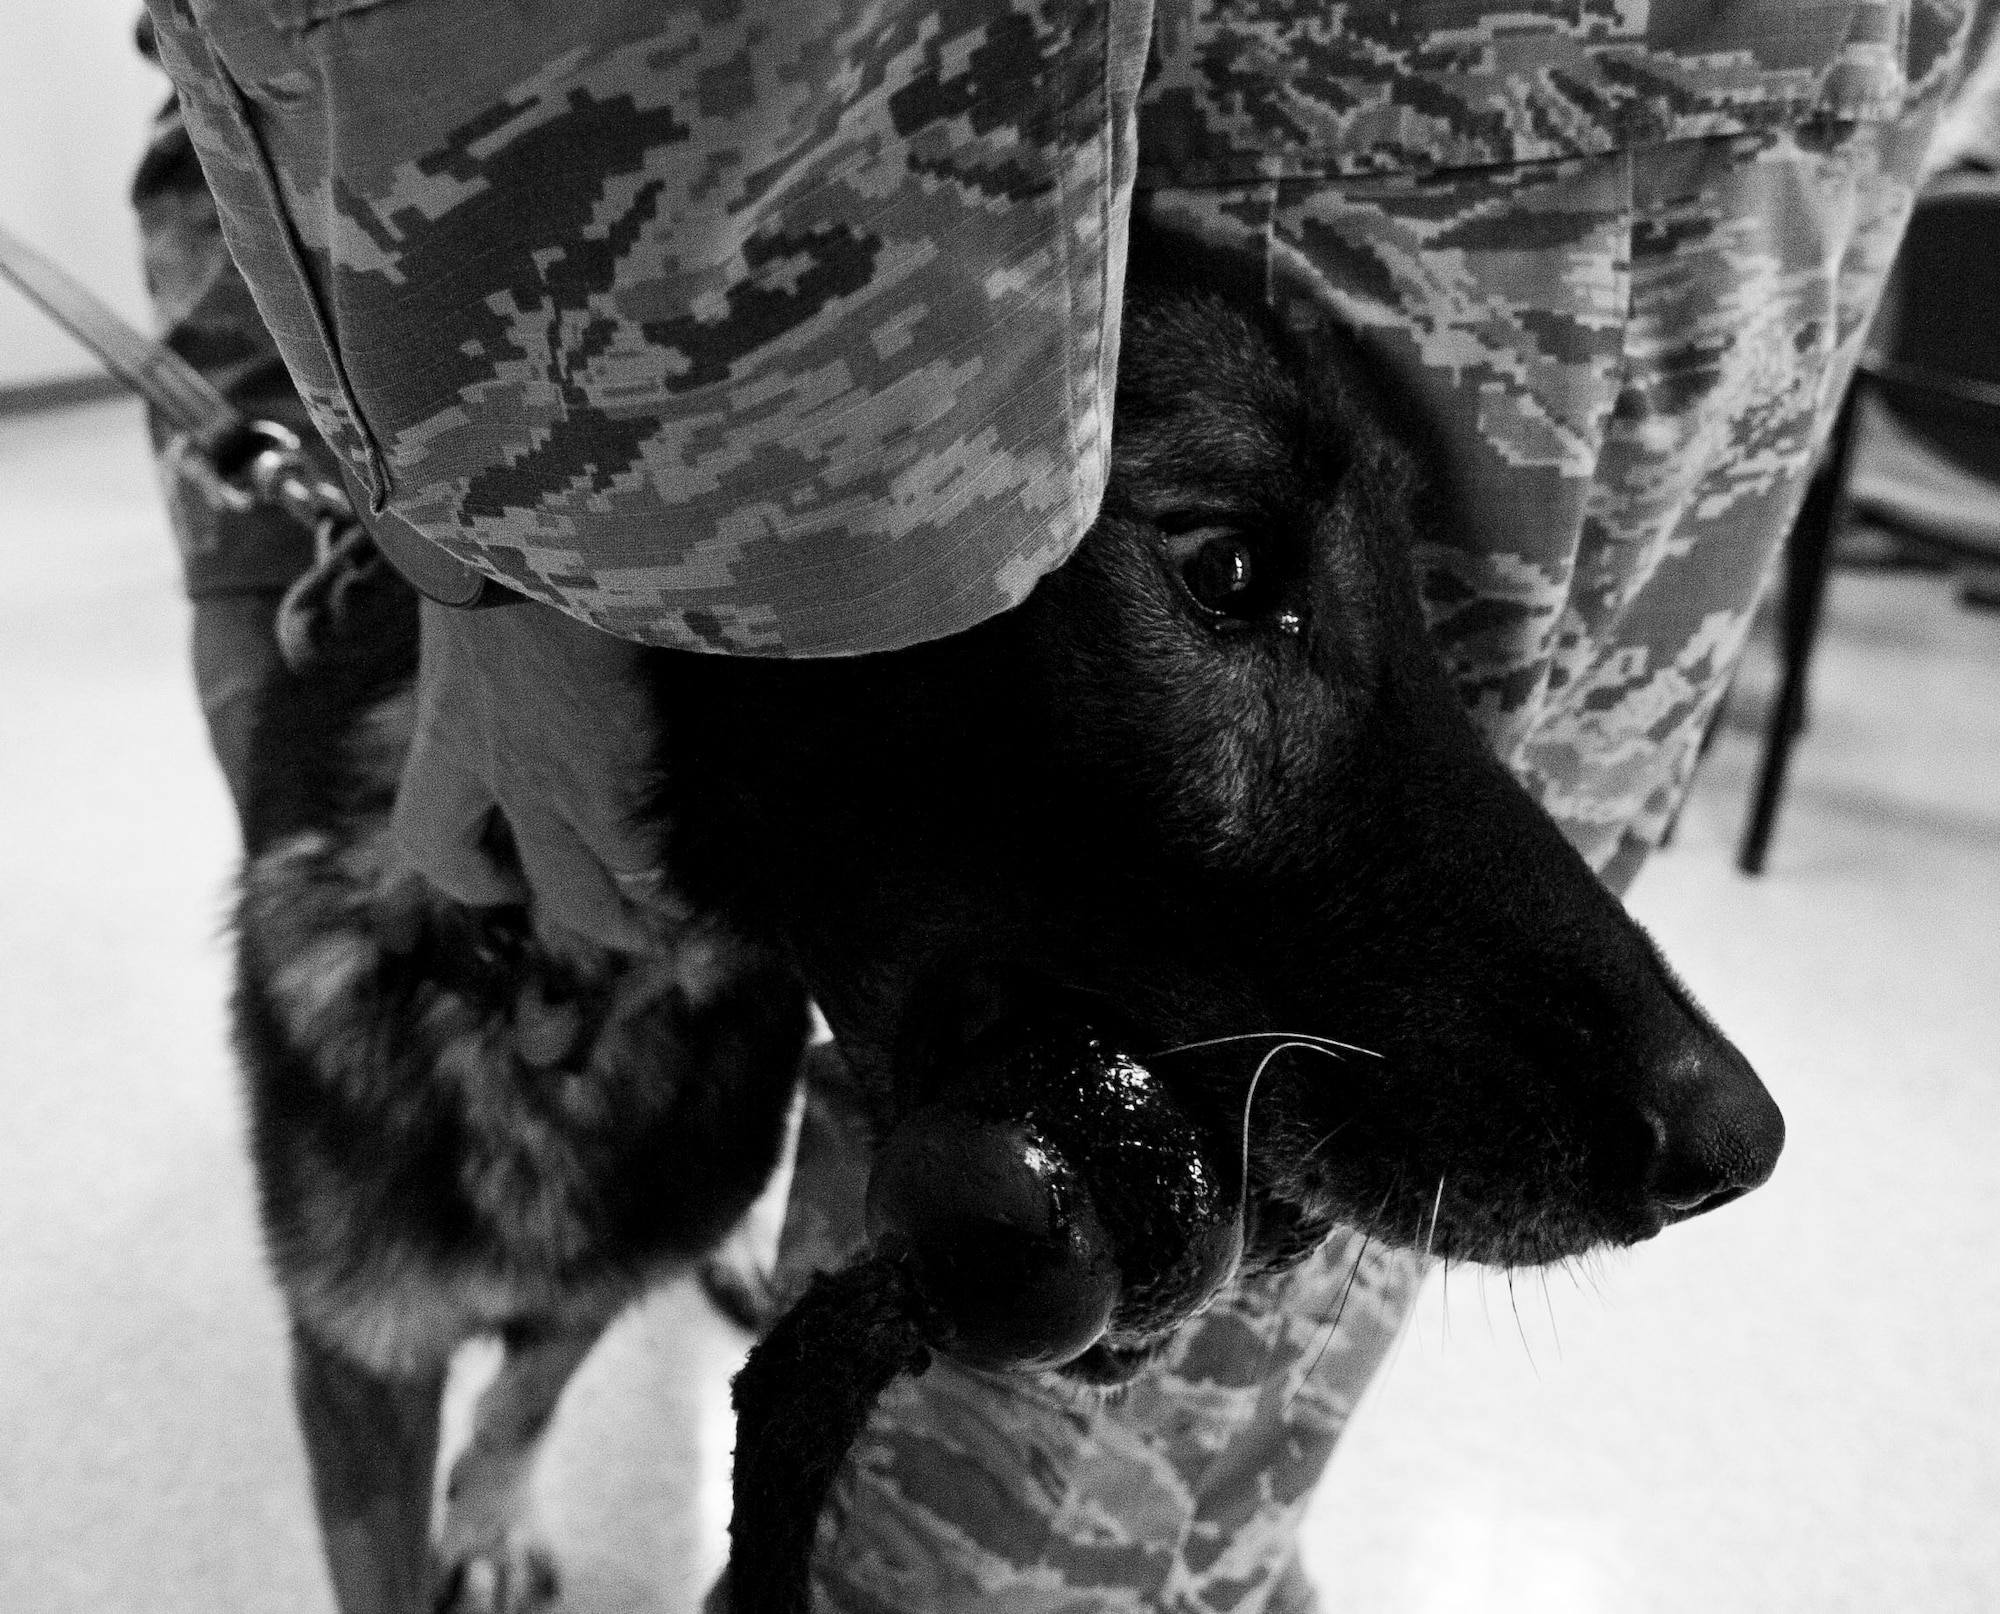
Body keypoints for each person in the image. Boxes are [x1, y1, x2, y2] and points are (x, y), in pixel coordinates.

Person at [136, 1, 1982, 1608]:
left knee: (1164, 1432)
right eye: (1238, 581)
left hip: (1706, 154)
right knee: (977, 1523)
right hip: (1350, 150)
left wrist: (515, 533)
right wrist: (521, 547)